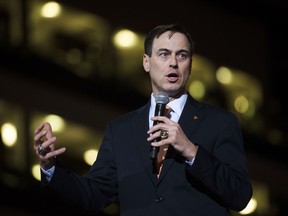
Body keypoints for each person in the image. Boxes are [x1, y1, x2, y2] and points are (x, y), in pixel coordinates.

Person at [34, 23, 253, 216]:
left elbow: (240, 196)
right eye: (164, 54)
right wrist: (50, 167)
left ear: (191, 65)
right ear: (146, 62)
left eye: (182, 55)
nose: (174, 63)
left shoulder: (219, 123)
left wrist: (191, 151)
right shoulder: (121, 130)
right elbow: (94, 195)